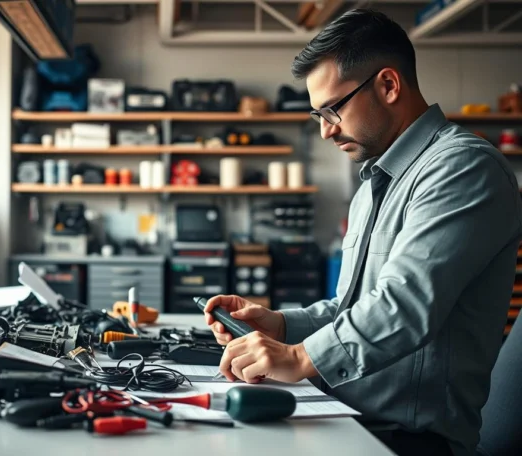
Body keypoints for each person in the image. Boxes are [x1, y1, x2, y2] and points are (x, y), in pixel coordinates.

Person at [204, 9, 522, 456]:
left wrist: (297, 358)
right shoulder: (374, 183)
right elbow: (351, 308)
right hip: (345, 416)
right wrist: (281, 325)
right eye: (317, 114)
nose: (325, 130)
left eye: (332, 109)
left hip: (406, 442)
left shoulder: (463, 168)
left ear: (388, 85)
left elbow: (404, 306)